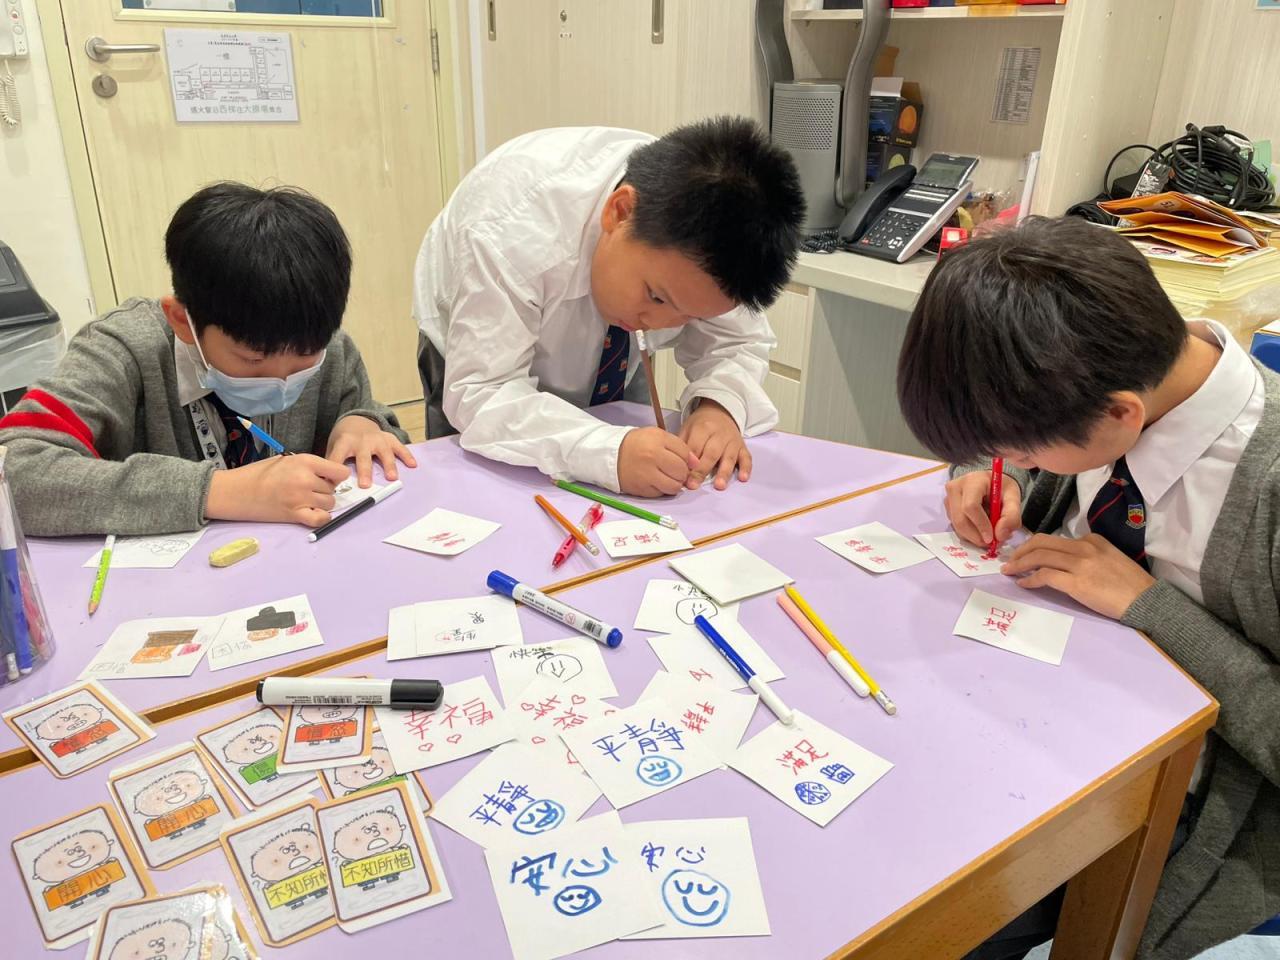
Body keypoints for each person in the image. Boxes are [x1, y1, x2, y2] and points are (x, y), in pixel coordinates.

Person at [895, 215, 1280, 960]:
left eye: (1020, 449)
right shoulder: (1115, 368)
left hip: (1187, 804)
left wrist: (1150, 609)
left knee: (922, 912)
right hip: (1028, 705)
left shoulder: (1264, 488)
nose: (1012, 459)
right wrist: (984, 474)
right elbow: (1038, 425)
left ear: (1120, 415)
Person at [412, 116, 804, 497]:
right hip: (478, 351)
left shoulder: (720, 242)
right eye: (657, 296)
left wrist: (718, 405)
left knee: (637, 470)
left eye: (691, 317)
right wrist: (607, 452)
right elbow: (483, 394)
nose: (658, 324)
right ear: (619, 212)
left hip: (609, 351)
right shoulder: (509, 231)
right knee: (482, 496)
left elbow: (737, 341)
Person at [0, 182, 414, 536]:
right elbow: (17, 471)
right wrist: (221, 491)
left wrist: (364, 423)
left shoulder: (324, 342)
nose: (282, 380)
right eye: (251, 360)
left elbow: (366, 416)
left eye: (305, 357)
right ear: (183, 320)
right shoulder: (124, 348)